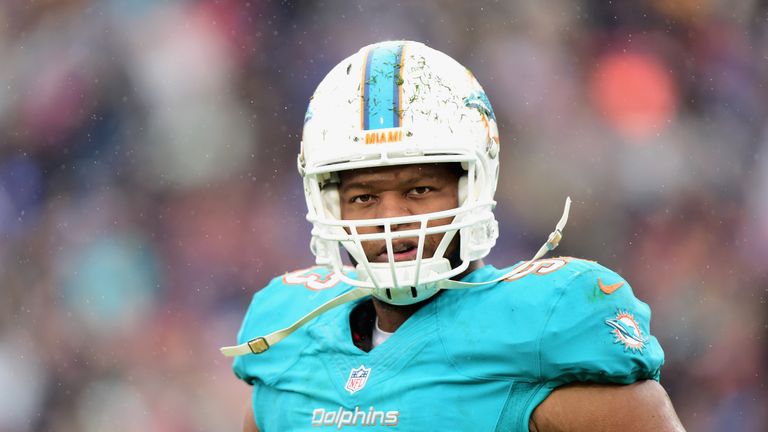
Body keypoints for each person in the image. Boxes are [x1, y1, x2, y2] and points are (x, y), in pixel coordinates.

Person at [221, 40, 685, 431]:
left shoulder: (543, 324)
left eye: (419, 189)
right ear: (328, 203)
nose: (392, 218)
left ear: (472, 187)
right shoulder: (289, 341)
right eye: (364, 197)